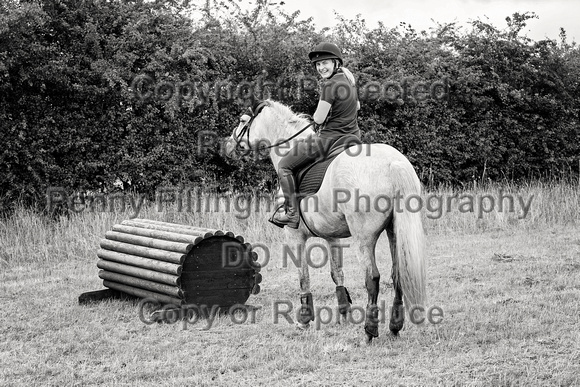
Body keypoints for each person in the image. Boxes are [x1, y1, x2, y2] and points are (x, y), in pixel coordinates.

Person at [270, 42, 361, 229]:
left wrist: (320, 114)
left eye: (325, 63)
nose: (321, 68)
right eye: (318, 65)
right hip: (352, 138)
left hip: (329, 140)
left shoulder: (329, 85)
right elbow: (357, 106)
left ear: (336, 62)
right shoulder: (348, 81)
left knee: (284, 165)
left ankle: (291, 214)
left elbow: (318, 119)